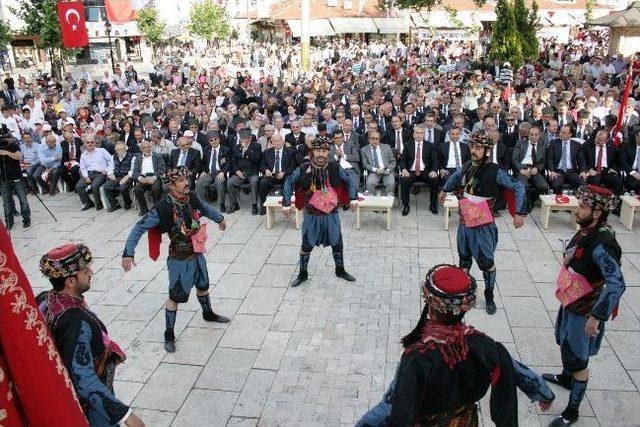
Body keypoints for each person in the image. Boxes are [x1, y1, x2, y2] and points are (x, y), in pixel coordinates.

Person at [357, 264, 555, 426]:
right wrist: (544, 394)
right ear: (463, 310)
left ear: (430, 308)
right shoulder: (482, 344)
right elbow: (515, 370)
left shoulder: (417, 357)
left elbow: (392, 406)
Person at [122, 166, 230, 353]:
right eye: (181, 181)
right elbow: (139, 227)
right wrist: (128, 252)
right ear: (172, 185)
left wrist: (219, 218)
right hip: (179, 259)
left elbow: (204, 208)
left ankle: (208, 313)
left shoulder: (192, 197)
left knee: (203, 286)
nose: (186, 183)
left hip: (197, 253)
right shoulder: (163, 207)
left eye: (186, 179)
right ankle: (169, 334)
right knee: (175, 297)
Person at [543, 185, 626, 426]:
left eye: (583, 206)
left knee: (579, 360)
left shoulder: (602, 243)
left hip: (585, 311)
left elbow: (617, 284)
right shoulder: (587, 230)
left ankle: (572, 411)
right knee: (564, 343)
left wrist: (596, 317)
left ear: (598, 212)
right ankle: (567, 378)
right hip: (572, 300)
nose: (577, 209)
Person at [38, 243, 145, 426]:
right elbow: (83, 379)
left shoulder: (45, 297)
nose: (91, 272)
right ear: (70, 282)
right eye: (85, 270)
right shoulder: (74, 322)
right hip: (92, 409)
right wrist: (126, 416)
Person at [438, 131, 527, 315]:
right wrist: (444, 189)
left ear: (487, 150)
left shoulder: (496, 171)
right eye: (472, 146)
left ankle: (489, 295)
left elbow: (518, 186)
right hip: (464, 224)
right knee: (464, 260)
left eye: (478, 148)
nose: (474, 151)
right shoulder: (468, 165)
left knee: (486, 262)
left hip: (483, 227)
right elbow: (456, 176)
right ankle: (464, 293)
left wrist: (519, 212)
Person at [283, 137, 358, 287]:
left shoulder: (335, 167)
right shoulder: (303, 168)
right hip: (312, 216)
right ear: (312, 151)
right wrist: (286, 204)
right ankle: (303, 274)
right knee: (306, 245)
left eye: (324, 151)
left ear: (328, 152)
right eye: (318, 150)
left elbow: (349, 180)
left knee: (337, 243)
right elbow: (289, 182)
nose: (321, 154)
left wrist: (353, 198)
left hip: (332, 215)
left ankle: (340, 270)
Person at [258, 133, 295, 214]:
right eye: (274, 141)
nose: (277, 143)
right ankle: (264, 206)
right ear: (271, 142)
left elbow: (293, 167)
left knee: (288, 181)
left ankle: (286, 205)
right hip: (271, 176)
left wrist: (284, 172)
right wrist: (266, 170)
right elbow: (261, 165)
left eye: (278, 141)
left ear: (283, 141)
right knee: (263, 182)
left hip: (284, 175)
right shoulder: (267, 152)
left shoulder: (290, 152)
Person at [0, 131, 30, 229]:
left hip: (17, 177)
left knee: (23, 200)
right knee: (6, 203)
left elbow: (18, 156)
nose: (6, 140)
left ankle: (26, 219)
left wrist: (7, 153)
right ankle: (9, 221)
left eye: (7, 138)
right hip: (4, 179)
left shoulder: (14, 145)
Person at [227, 129, 261, 214]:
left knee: (254, 181)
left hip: (252, 172)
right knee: (230, 182)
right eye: (241, 138)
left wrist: (246, 149)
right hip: (240, 173)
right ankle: (234, 204)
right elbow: (234, 162)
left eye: (245, 138)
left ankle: (254, 205)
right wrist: (237, 171)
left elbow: (256, 159)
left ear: (250, 138)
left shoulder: (256, 146)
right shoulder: (237, 147)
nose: (243, 140)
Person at [196, 130, 230, 213]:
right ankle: (200, 205)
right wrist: (203, 171)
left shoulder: (226, 149)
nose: (214, 141)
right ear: (208, 142)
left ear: (219, 139)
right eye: (211, 140)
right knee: (199, 183)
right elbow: (202, 163)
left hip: (220, 172)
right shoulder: (206, 150)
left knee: (220, 182)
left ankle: (221, 204)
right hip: (209, 173)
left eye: (215, 139)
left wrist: (223, 172)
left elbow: (229, 163)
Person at [76, 134, 112, 211]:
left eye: (92, 142)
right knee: (78, 186)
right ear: (85, 144)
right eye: (88, 142)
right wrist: (86, 176)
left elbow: (112, 161)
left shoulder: (102, 151)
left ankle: (99, 204)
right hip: (88, 174)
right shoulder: (83, 155)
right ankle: (88, 203)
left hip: (100, 174)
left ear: (95, 143)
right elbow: (83, 168)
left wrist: (106, 170)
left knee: (94, 186)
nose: (90, 144)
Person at [131, 139, 166, 215]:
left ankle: (156, 208)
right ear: (141, 149)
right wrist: (140, 178)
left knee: (155, 188)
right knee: (137, 190)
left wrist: (154, 177)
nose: (147, 149)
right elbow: (135, 172)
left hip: (155, 177)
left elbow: (162, 170)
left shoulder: (158, 156)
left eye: (148, 147)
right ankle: (144, 210)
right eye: (144, 147)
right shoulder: (138, 158)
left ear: (151, 147)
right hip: (143, 178)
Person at [361, 130, 396, 195]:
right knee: (369, 183)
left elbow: (393, 162)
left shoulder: (387, 147)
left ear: (379, 139)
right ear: (369, 139)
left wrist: (388, 169)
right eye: (373, 138)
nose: (375, 140)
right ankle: (372, 200)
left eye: (377, 139)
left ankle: (387, 201)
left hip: (386, 170)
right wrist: (375, 170)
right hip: (374, 171)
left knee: (390, 183)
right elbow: (365, 164)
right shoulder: (364, 150)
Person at [104, 141, 134, 211]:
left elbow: (133, 170)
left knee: (123, 187)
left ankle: (128, 202)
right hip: (116, 176)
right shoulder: (113, 156)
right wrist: (110, 174)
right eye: (118, 150)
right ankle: (115, 204)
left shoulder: (132, 157)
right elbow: (110, 168)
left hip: (127, 177)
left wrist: (126, 178)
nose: (120, 151)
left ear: (125, 149)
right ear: (115, 150)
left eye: (121, 149)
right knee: (106, 186)